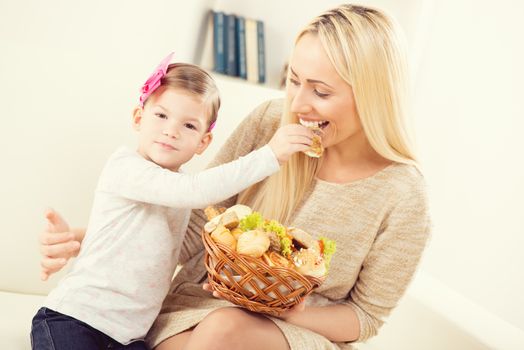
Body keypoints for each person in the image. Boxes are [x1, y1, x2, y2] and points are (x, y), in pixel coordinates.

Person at [39, 4, 431, 350]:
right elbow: (194, 222)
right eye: (294, 80)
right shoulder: (270, 124)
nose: (297, 104)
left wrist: (285, 311)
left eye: (321, 91)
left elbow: (364, 319)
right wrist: (91, 237)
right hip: (200, 308)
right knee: (215, 328)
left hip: (296, 332)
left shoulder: (402, 194)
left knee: (225, 330)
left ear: (373, 96)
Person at [31, 53, 315, 350]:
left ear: (203, 143)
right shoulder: (126, 168)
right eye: (161, 116)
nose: (171, 130)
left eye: (189, 126)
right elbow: (196, 190)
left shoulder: (176, 188)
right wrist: (270, 155)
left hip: (129, 337)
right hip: (75, 318)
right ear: (138, 119)